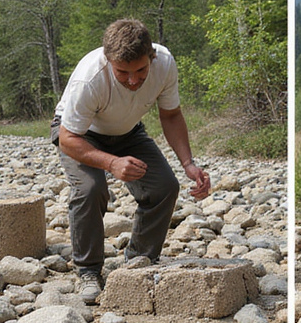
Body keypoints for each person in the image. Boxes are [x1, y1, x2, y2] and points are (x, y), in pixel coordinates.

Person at [52, 19, 211, 304]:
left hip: (128, 132)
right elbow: (67, 139)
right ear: (108, 59)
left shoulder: (164, 64)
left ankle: (139, 262)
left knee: (164, 187)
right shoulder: (90, 78)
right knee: (90, 189)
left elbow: (171, 115)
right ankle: (88, 271)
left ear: (151, 56)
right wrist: (111, 164)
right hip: (80, 135)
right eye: (122, 72)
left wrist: (188, 163)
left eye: (140, 70)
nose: (133, 80)